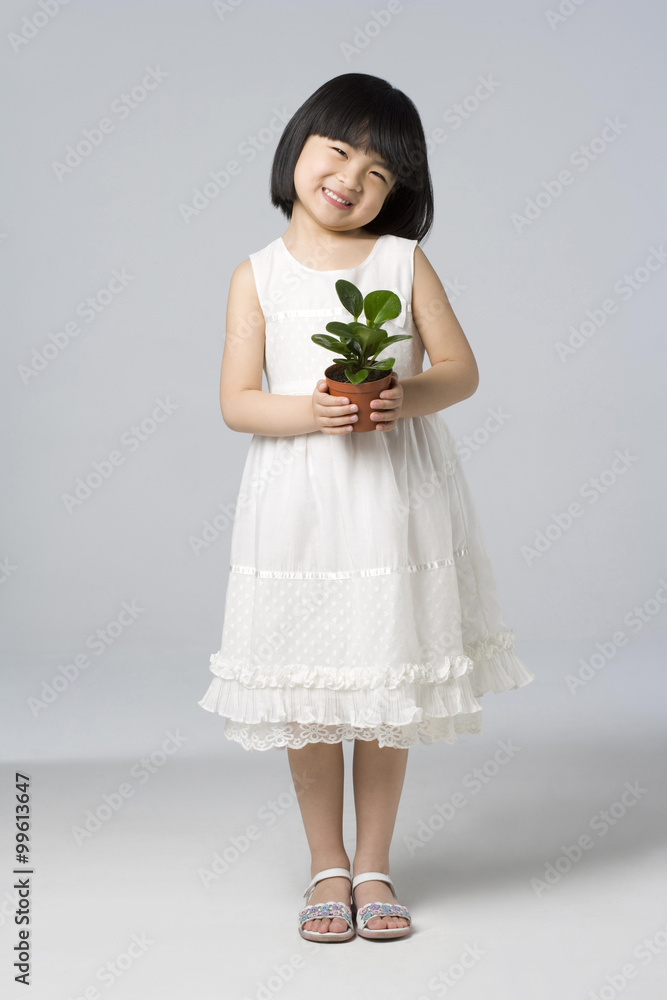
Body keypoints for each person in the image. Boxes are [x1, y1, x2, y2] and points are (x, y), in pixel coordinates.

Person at [198, 72, 535, 942]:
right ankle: (326, 868)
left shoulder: (402, 262)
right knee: (308, 682)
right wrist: (307, 411)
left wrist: (404, 399)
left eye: (379, 171)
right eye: (338, 150)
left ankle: (376, 864)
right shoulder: (256, 276)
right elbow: (238, 399)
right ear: (298, 148)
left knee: (385, 674)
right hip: (298, 503)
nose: (351, 177)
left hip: (391, 496)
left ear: (400, 192)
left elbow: (459, 370)